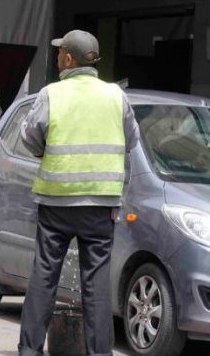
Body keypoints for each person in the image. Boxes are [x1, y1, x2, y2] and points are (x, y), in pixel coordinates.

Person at [18, 30, 139, 356]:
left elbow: (29, 139)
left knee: (44, 275)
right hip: (101, 203)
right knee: (96, 282)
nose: (57, 57)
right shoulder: (116, 96)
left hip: (57, 200)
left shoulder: (51, 94)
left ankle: (29, 350)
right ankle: (100, 353)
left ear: (69, 59)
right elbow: (133, 140)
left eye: (60, 53)